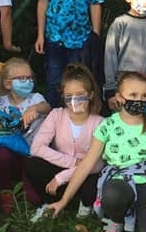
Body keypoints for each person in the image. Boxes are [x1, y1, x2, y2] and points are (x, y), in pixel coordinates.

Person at [44, 72, 146, 232]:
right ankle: (116, 221)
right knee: (112, 195)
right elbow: (86, 164)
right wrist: (63, 201)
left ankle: (140, 212)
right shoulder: (108, 126)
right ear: (119, 98)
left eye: (144, 96)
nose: (139, 100)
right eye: (133, 95)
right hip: (119, 181)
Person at [27, 64, 105, 221]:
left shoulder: (101, 123)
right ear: (63, 96)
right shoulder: (56, 115)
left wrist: (62, 177)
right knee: (33, 164)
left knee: (92, 184)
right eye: (69, 96)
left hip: (87, 173)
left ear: (90, 95)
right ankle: (50, 202)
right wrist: (72, 162)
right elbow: (36, 148)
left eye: (80, 94)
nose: (75, 100)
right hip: (61, 165)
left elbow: (98, 164)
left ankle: (84, 205)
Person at [0, 57, 51, 211]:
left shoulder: (35, 98)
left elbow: (47, 107)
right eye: (22, 78)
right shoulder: (0, 103)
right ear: (7, 84)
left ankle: (26, 186)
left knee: (33, 200)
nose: (27, 81)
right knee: (0, 154)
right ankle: (6, 191)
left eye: (30, 78)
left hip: (32, 156)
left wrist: (34, 109)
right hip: (11, 154)